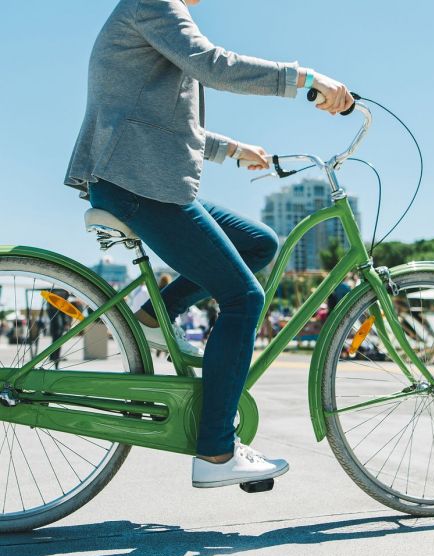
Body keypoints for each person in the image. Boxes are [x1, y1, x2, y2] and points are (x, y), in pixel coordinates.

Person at [64, 0, 353, 488]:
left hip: (147, 183)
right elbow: (213, 65)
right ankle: (217, 452)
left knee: (260, 243)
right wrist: (305, 78)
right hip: (138, 186)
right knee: (245, 298)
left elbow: (164, 121)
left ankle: (154, 317)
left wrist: (232, 149)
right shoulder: (153, 3)